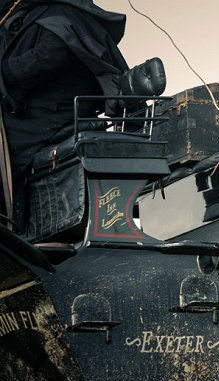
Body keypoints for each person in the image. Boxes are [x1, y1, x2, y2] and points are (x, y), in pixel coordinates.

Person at [0, 0, 130, 231]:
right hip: (30, 113)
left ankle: (11, 231)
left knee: (5, 144)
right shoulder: (18, 18)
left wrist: (4, 72)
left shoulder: (63, 14)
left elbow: (46, 59)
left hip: (58, 113)